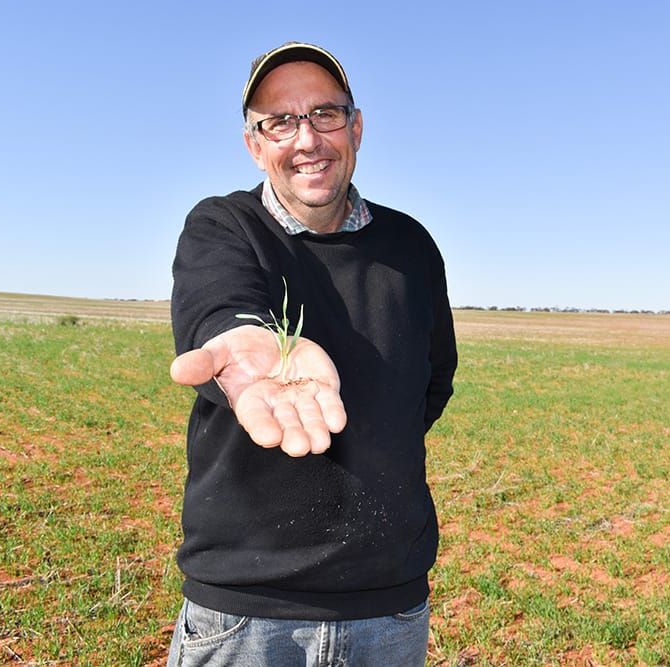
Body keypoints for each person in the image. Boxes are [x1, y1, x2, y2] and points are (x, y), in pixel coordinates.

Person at [165, 41, 457, 665]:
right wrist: (246, 348)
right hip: (244, 612)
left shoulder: (411, 246)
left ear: (357, 127)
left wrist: (374, 437)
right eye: (280, 121)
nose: (307, 139)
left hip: (389, 608)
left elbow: (433, 381)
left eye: (325, 114)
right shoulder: (223, 226)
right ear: (255, 145)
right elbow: (220, 306)